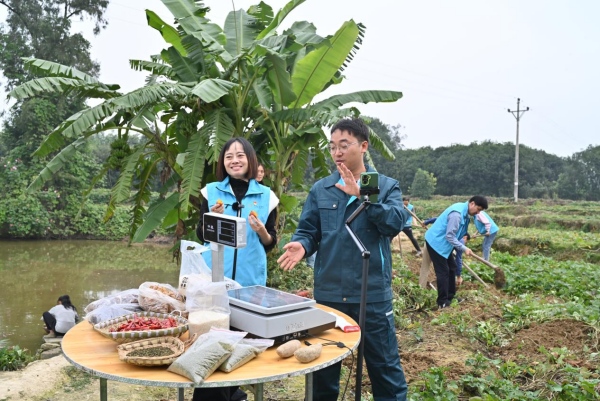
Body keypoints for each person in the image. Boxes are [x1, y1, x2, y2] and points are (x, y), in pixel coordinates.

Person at [277, 118, 408, 401]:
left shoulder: (385, 187)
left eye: (343, 145)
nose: (337, 152)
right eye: (332, 146)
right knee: (323, 372)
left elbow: (395, 222)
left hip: (371, 295)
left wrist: (363, 196)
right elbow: (310, 230)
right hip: (330, 294)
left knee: (385, 370)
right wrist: (301, 244)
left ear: (363, 146)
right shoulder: (322, 189)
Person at [194, 137, 278, 401]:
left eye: (240, 155)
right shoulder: (210, 192)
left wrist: (262, 230)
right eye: (229, 156)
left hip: (250, 281)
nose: (234, 160)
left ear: (250, 160)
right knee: (211, 341)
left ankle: (235, 393)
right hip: (215, 279)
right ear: (223, 163)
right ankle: (215, 395)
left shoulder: (267, 196)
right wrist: (213, 219)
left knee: (241, 343)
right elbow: (201, 235)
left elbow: (270, 242)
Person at [424, 196, 488, 309]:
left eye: (480, 211)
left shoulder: (465, 213)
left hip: (445, 245)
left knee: (452, 267)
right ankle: (442, 302)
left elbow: (459, 232)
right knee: (443, 272)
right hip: (436, 243)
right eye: (478, 209)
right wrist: (464, 248)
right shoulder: (457, 215)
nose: (478, 212)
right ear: (472, 204)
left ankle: (450, 297)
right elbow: (449, 236)